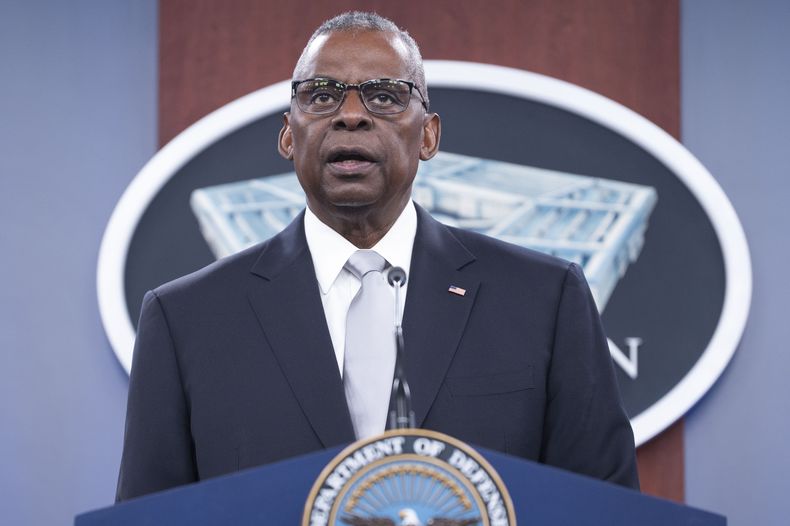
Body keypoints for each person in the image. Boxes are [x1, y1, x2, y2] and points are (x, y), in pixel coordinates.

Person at [116, 12, 639, 501]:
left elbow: (605, 510)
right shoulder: (186, 320)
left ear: (429, 135)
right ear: (286, 135)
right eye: (321, 96)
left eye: (385, 97)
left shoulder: (544, 300)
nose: (349, 116)